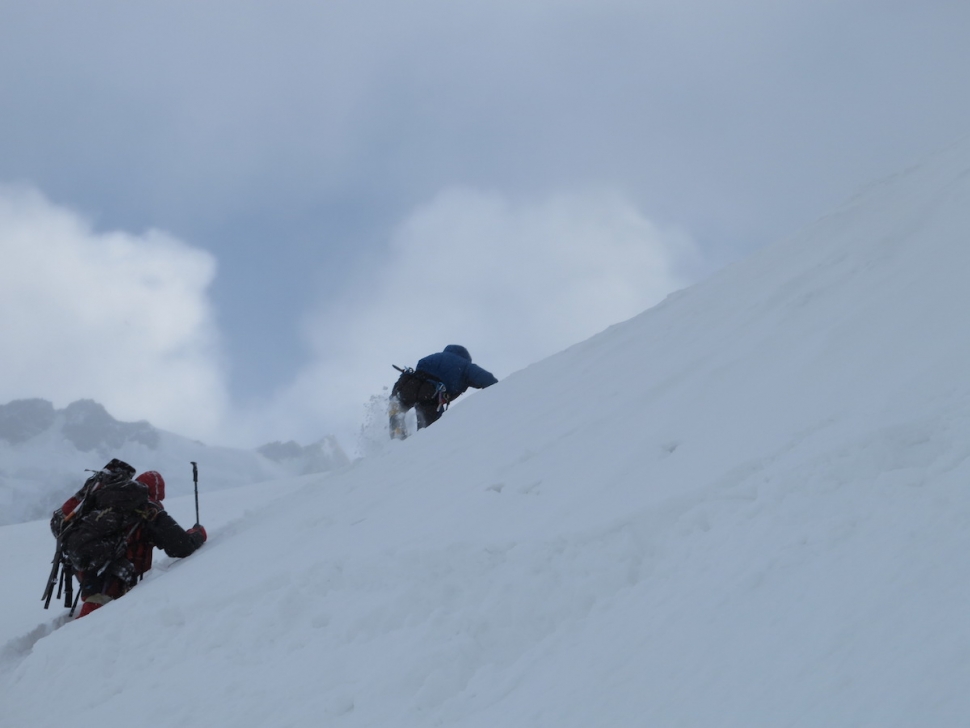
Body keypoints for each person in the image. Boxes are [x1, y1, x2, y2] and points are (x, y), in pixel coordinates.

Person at [50, 459, 207, 618]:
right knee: (94, 628)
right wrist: (198, 533)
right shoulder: (148, 510)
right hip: (114, 583)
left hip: (89, 573)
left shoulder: (107, 501)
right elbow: (181, 546)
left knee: (89, 621)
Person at [389, 345, 498, 438]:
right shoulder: (465, 366)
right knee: (429, 430)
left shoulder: (435, 356)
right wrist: (501, 388)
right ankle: (420, 445)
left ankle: (397, 429)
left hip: (409, 384)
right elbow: (487, 379)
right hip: (431, 394)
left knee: (400, 405)